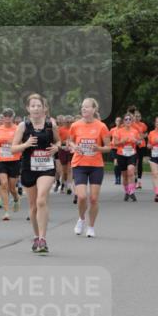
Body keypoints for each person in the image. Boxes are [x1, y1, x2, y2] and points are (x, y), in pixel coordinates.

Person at [12, 94, 59, 253]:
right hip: (28, 168)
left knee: (41, 200)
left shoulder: (50, 124)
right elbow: (13, 148)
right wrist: (25, 144)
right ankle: (36, 236)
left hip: (46, 167)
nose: (36, 108)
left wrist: (57, 147)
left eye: (39, 105)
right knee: (33, 206)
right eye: (33, 106)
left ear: (44, 108)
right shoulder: (23, 126)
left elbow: (58, 141)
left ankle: (43, 239)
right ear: (28, 109)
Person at [67, 97, 111, 238]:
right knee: (81, 196)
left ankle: (91, 227)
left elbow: (109, 147)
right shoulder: (75, 125)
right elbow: (69, 142)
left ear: (94, 109)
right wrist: (74, 147)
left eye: (87, 107)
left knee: (93, 199)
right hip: (79, 164)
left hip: (96, 166)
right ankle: (81, 219)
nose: (84, 109)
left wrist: (98, 148)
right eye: (83, 107)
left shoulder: (101, 126)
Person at [0, 109, 21, 220]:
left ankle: (16, 198)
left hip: (14, 160)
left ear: (13, 117)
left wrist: (14, 143)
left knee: (12, 188)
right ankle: (6, 212)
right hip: (2, 159)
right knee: (4, 184)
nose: (7, 118)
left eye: (10, 116)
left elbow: (22, 143)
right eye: (5, 116)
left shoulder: (18, 128)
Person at [112, 113, 141, 202]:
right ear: (123, 121)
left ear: (132, 121)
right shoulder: (118, 131)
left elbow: (140, 142)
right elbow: (115, 143)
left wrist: (136, 141)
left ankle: (132, 191)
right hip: (121, 154)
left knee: (131, 171)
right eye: (126, 119)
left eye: (129, 119)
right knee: (124, 176)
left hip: (132, 154)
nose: (128, 121)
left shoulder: (135, 131)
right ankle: (127, 191)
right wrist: (122, 141)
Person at [128, 107, 148, 188]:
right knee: (133, 163)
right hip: (133, 145)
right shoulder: (131, 124)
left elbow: (146, 134)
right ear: (133, 116)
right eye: (136, 116)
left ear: (141, 117)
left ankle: (139, 181)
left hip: (141, 145)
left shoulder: (143, 125)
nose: (137, 118)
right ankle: (134, 179)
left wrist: (141, 137)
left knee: (139, 163)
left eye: (139, 116)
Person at [108, 116, 123, 185]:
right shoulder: (112, 130)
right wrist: (110, 143)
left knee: (119, 164)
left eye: (120, 121)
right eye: (117, 121)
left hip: (121, 148)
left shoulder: (123, 130)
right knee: (116, 162)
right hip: (114, 148)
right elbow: (107, 137)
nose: (118, 122)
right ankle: (117, 178)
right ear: (115, 122)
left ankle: (119, 177)